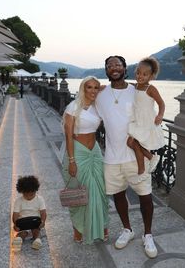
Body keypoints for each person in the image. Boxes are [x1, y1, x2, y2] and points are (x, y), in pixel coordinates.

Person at [95, 55, 157, 258]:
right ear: (106, 71)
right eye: (109, 65)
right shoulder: (100, 95)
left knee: (146, 196)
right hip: (112, 156)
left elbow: (150, 113)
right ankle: (127, 230)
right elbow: (84, 111)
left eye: (117, 64)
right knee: (118, 194)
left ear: (124, 68)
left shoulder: (137, 90)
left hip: (135, 155)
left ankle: (148, 234)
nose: (114, 67)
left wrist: (151, 143)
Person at [63, 76, 109, 244]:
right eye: (89, 87)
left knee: (100, 190)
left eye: (96, 88)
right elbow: (68, 136)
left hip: (95, 151)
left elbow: (112, 88)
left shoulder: (98, 107)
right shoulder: (73, 107)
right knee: (80, 192)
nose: (93, 91)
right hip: (78, 152)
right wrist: (72, 160)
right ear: (83, 88)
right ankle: (78, 228)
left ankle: (102, 225)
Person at [127, 57, 165, 184]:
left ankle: (142, 171)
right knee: (131, 142)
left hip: (147, 121)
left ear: (151, 76)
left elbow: (161, 103)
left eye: (144, 74)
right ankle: (150, 158)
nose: (140, 76)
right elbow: (124, 86)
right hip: (137, 120)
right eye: (138, 73)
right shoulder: (135, 86)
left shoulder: (151, 89)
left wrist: (160, 115)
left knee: (133, 142)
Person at [12, 175, 47, 252]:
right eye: (25, 194)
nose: (28, 197)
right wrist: (15, 224)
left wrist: (43, 221)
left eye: (31, 194)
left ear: (35, 190)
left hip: (35, 221)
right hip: (22, 222)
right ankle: (18, 239)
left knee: (36, 230)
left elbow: (43, 212)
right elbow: (15, 214)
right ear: (22, 192)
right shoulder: (18, 201)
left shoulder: (40, 199)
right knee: (23, 232)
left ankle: (37, 240)